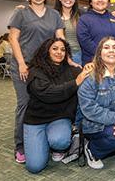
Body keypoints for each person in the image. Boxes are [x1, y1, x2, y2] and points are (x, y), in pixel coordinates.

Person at [8, 0, 66, 163]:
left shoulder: (54, 14)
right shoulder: (21, 13)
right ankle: (20, 145)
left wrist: (69, 60)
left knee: (44, 102)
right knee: (24, 104)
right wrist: (21, 64)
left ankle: (44, 140)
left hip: (45, 67)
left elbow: (60, 39)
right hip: (23, 66)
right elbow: (13, 39)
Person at [23, 37, 88, 173]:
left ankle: (54, 145)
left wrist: (91, 68)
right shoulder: (36, 71)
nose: (59, 52)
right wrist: (75, 82)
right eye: (55, 48)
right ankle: (42, 143)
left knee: (60, 140)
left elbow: (90, 78)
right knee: (34, 167)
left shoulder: (72, 70)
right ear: (46, 51)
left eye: (63, 50)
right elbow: (49, 94)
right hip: (36, 120)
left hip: (59, 118)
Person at [78, 36, 115, 169]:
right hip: (94, 125)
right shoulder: (90, 75)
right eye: (106, 47)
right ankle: (91, 149)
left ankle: (110, 143)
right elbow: (89, 108)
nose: (111, 51)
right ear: (99, 53)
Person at [77, 0, 115, 66]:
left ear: (108, 1)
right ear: (91, 2)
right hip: (93, 63)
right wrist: (104, 54)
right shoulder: (84, 19)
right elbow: (85, 40)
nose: (100, 0)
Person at [54, 0, 82, 65]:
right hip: (59, 55)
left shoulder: (81, 15)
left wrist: (112, 15)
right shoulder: (53, 15)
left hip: (79, 55)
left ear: (75, 0)